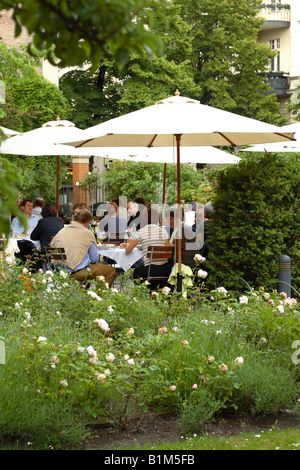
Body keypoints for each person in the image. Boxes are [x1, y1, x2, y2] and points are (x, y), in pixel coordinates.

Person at [51, 209, 115, 287]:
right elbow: (94, 258)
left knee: (86, 268)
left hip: (59, 270)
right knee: (110, 271)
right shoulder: (87, 234)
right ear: (87, 223)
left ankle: (83, 295)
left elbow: (51, 246)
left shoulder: (61, 231)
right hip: (77, 271)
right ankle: (99, 297)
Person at [125, 203, 172, 287]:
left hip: (150, 270)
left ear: (144, 218)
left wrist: (129, 243)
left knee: (135, 271)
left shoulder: (141, 232)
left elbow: (128, 251)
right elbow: (168, 250)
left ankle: (145, 290)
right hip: (165, 269)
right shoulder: (164, 232)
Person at [10, 199, 40, 268]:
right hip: (21, 243)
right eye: (28, 206)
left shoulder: (36, 219)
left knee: (31, 248)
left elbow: (39, 231)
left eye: (32, 206)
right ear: (22, 208)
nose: (31, 208)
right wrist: (22, 233)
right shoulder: (16, 220)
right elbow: (13, 232)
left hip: (33, 244)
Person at [168, 205, 200, 269]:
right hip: (184, 261)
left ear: (177, 218)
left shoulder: (182, 229)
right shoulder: (181, 228)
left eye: (171, 219)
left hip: (186, 263)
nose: (169, 221)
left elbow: (174, 249)